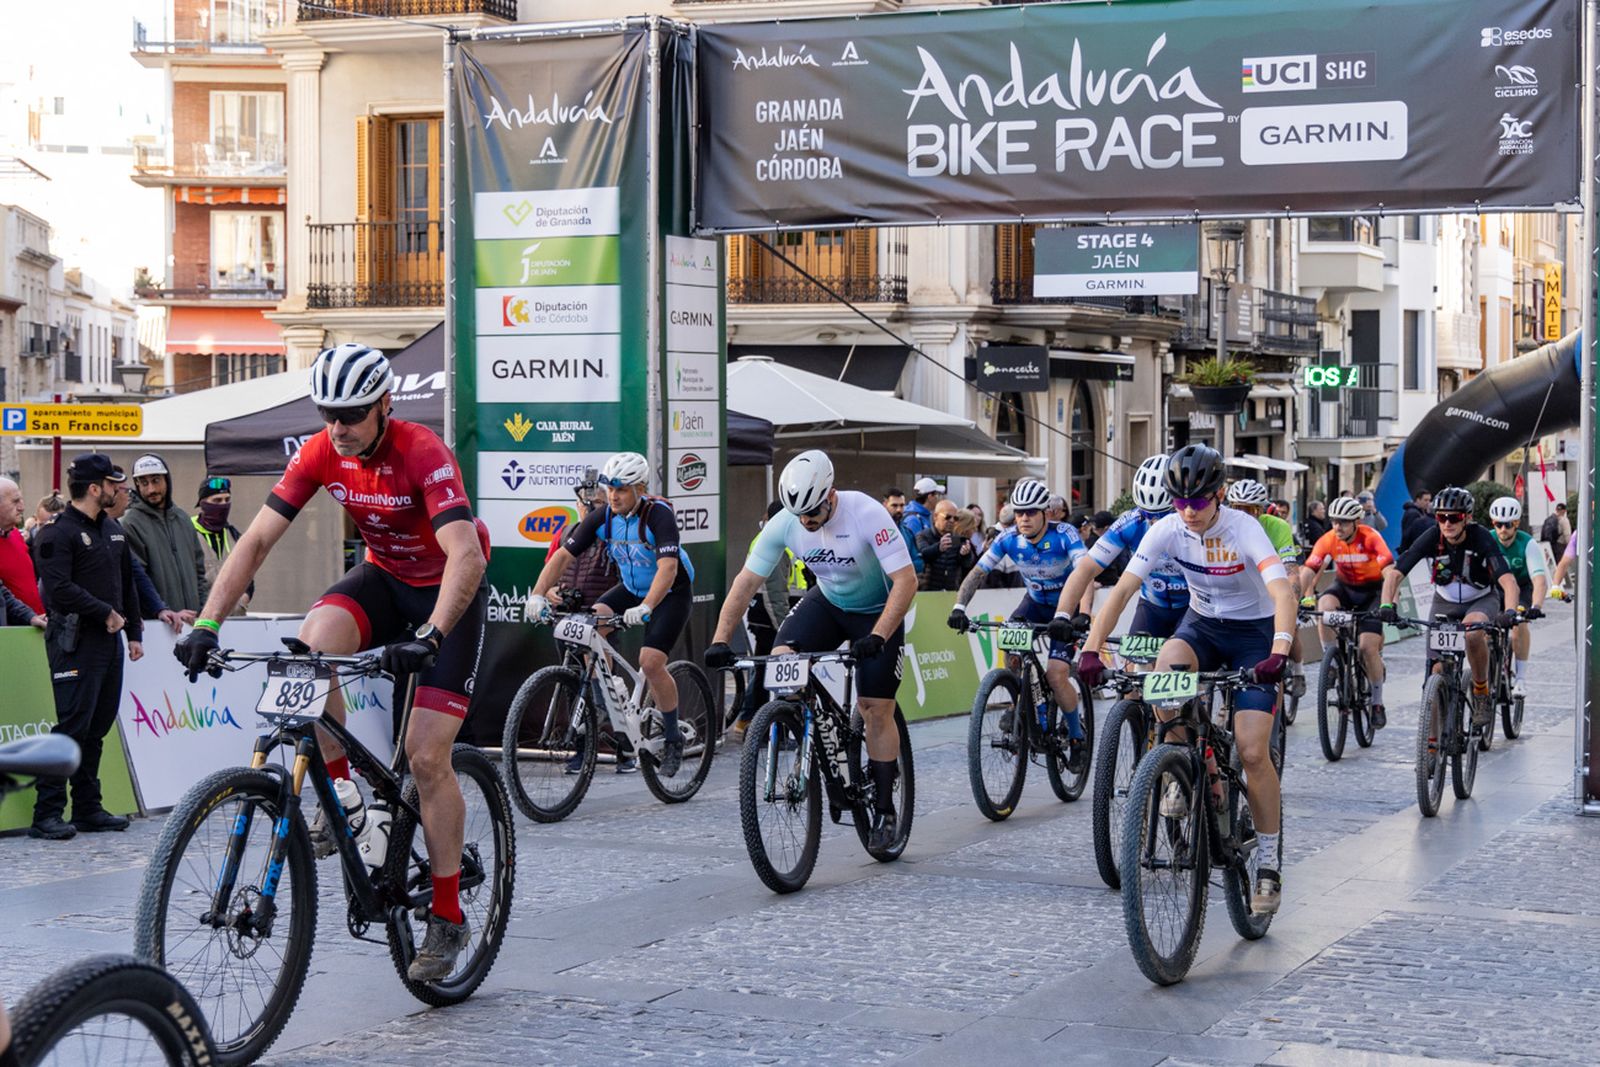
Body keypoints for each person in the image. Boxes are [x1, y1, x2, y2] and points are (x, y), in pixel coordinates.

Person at [175, 343, 489, 982]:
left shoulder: (421, 450)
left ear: (383, 405)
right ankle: (343, 794)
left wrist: (430, 633)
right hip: (385, 577)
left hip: (449, 590)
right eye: (328, 413)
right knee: (309, 654)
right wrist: (208, 622)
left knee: (427, 756)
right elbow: (257, 539)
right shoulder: (321, 450)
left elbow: (466, 555)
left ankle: (449, 915)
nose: (338, 426)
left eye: (350, 413)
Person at [1073, 443, 1296, 916]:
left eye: (1198, 502)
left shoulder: (1245, 528)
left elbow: (1282, 590)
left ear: (1218, 496)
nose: (1188, 512)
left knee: (1253, 749)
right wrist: (1092, 647)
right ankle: (1179, 770)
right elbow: (1123, 591)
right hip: (1200, 626)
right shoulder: (1166, 529)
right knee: (1164, 675)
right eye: (1180, 502)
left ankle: (1270, 864)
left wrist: (1279, 650)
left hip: (1253, 635)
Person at [706, 450, 916, 848]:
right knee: (783, 659)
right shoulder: (786, 522)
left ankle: (886, 809)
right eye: (798, 514)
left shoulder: (866, 513)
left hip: (876, 611)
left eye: (813, 512)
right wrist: (719, 638)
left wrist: (880, 634)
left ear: (831, 495)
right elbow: (746, 582)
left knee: (875, 708)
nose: (806, 521)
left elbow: (906, 581)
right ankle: (804, 724)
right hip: (829, 603)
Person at [525, 451, 694, 777]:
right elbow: (563, 555)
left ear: (640, 488)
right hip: (630, 587)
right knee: (589, 626)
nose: (613, 495)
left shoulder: (658, 515)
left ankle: (672, 736)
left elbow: (668, 567)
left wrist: (646, 607)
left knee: (650, 661)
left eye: (621, 489)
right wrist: (536, 594)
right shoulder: (604, 517)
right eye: (610, 488)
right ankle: (612, 697)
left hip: (669, 591)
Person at [30, 454, 143, 840]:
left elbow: (127, 583)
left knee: (97, 727)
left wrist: (136, 633)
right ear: (95, 488)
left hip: (109, 642)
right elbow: (57, 589)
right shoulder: (55, 533)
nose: (119, 490)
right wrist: (104, 612)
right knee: (71, 727)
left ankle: (87, 808)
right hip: (73, 640)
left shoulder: (113, 530)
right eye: (113, 484)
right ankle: (45, 813)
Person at [949, 477, 1090, 771]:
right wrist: (960, 606)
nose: (1023, 518)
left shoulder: (1065, 534)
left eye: (1030, 512)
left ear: (1045, 514)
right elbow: (978, 572)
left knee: (1056, 674)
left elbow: (1086, 575)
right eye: (1018, 512)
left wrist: (1082, 615)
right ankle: (1018, 703)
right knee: (1010, 647)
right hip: (1036, 603)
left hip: (1068, 604)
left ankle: (1077, 737)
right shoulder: (1008, 538)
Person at [1380, 485, 1520, 729]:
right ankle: (1432, 745)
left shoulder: (1481, 537)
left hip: (1480, 598)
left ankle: (1480, 693)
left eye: (1453, 518)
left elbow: (1508, 582)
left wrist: (1509, 612)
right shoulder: (1433, 536)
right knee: (1435, 670)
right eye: (1441, 517)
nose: (1447, 523)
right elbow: (1394, 574)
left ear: (1466, 518)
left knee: (1472, 632)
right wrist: (1386, 604)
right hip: (1443, 601)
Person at [1056, 455, 1189, 641]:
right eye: (1148, 514)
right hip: (1152, 604)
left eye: (1164, 514)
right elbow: (1086, 569)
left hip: (1192, 606)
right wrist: (1062, 615)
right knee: (1136, 663)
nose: (1154, 522)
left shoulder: (1194, 524)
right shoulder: (1132, 521)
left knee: (1181, 660)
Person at [1298, 497, 1395, 728]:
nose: (1337, 527)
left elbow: (1390, 572)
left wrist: (1389, 604)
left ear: (1356, 522)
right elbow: (1309, 570)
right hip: (1344, 589)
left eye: (1343, 522)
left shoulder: (1371, 537)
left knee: (1366, 648)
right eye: (1334, 521)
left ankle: (1377, 702)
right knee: (1325, 607)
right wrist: (1299, 598)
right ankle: (1331, 662)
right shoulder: (1329, 539)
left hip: (1371, 594)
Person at [1228, 480, 1307, 699]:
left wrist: (1292, 599)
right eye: (1238, 509)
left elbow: (1291, 570)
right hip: (1243, 590)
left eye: (1250, 510)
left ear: (1261, 510)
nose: (1244, 515)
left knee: (1290, 629)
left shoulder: (1277, 526)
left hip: (1273, 586)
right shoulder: (1223, 527)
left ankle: (1298, 670)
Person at [730, 502, 794, 741]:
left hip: (762, 615)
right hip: (771, 618)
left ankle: (749, 721)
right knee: (769, 670)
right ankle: (758, 725)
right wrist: (785, 627)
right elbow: (774, 592)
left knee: (762, 669)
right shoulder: (775, 541)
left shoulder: (764, 537)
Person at [104, 470, 191, 635]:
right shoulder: (74, 529)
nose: (129, 496)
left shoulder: (114, 528)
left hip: (120, 627)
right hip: (90, 629)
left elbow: (134, 572)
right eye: (125, 490)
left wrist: (159, 609)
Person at [122, 453, 208, 614]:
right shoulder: (130, 524)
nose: (151, 489)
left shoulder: (183, 519)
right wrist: (162, 612)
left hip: (193, 622)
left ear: (166, 480)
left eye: (156, 480)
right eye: (144, 483)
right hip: (157, 626)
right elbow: (136, 581)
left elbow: (200, 573)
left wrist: (202, 612)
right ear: (137, 485)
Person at [1487, 496, 1547, 697]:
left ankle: (1520, 678)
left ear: (1517, 524)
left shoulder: (1527, 543)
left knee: (1519, 625)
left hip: (1522, 587)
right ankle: (1489, 670)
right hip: (1495, 589)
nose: (1503, 530)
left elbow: (1539, 579)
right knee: (1484, 627)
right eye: (1498, 524)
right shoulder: (1487, 539)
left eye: (1508, 525)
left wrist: (1536, 606)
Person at [191, 476, 253, 616]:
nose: (223, 505)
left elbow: (249, 573)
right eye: (217, 501)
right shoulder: (187, 533)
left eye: (227, 500)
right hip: (201, 622)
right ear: (202, 503)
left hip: (236, 622)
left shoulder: (234, 535)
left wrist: (244, 599)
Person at [559, 472, 619, 611]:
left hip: (603, 614)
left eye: (597, 502)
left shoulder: (616, 534)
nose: (590, 508)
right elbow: (552, 567)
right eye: (585, 502)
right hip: (566, 612)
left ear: (607, 505)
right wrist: (548, 590)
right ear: (577, 505)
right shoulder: (565, 533)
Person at [0, 477, 44, 616]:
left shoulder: (15, 535)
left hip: (35, 624)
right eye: (15, 501)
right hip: (11, 631)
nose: (22, 507)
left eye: (21, 500)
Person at [917, 499, 977, 591]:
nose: (952, 521)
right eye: (948, 517)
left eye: (955, 518)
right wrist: (938, 548)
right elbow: (923, 555)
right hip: (928, 591)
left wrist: (965, 554)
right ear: (935, 516)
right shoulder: (923, 535)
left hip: (951, 591)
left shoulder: (957, 538)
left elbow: (967, 564)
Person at [882, 487, 923, 582]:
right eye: (894, 506)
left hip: (902, 583)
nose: (899, 510)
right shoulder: (874, 530)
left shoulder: (907, 532)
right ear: (884, 505)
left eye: (902, 505)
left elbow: (917, 562)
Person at [902, 477, 941, 548]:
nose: (938, 498)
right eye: (937, 494)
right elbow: (915, 547)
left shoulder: (926, 515)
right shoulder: (912, 520)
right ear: (930, 497)